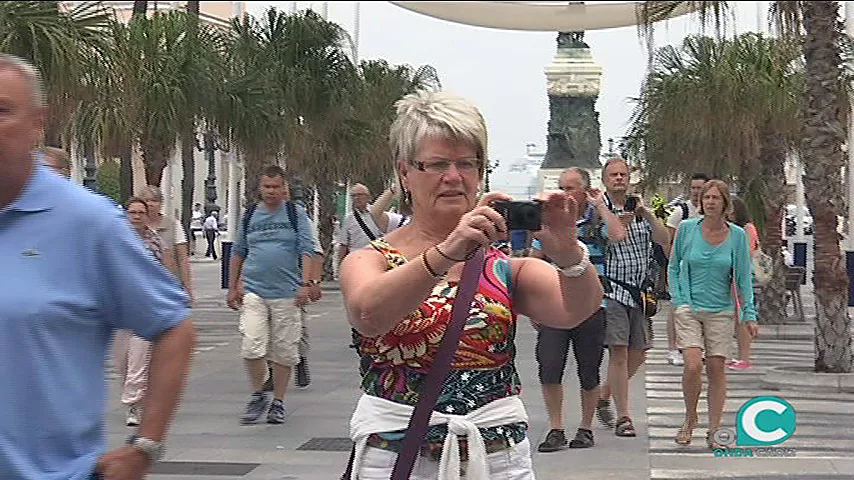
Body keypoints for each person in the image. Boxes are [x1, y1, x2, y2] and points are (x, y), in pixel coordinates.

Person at [340, 90, 603, 479]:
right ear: (404, 173)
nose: (453, 176)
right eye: (437, 164)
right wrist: (447, 251)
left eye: (466, 163)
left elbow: (575, 310)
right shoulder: (371, 259)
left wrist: (568, 254)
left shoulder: (504, 269)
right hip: (397, 457)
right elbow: (368, 313)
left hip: (494, 456)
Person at [0, 53, 195, 480]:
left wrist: (144, 446)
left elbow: (175, 329)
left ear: (38, 123)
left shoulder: (87, 223)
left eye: (2, 110)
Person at [531, 167, 626, 451]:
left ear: (585, 190)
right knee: (549, 367)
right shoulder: (549, 223)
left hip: (591, 306)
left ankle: (585, 427)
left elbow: (618, 233)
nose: (563, 193)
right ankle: (556, 427)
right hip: (554, 306)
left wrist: (600, 205)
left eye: (570, 188)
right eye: (561, 187)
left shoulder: (597, 219)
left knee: (589, 370)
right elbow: (535, 261)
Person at [227, 165, 322, 425]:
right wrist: (232, 286)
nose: (271, 191)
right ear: (260, 188)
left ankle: (278, 402)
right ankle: (258, 394)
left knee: (284, 352)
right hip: (253, 291)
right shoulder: (250, 216)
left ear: (284, 188)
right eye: (266, 187)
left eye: (275, 187)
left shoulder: (295, 213)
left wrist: (307, 283)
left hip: (287, 294)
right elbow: (238, 252)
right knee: (251, 347)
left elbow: (307, 249)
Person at [669, 180, 758, 448]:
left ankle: (715, 428)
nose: (709, 202)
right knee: (693, 364)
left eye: (715, 198)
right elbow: (673, 267)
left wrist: (750, 314)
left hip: (721, 309)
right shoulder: (686, 230)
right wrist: (679, 299)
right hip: (689, 308)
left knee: (717, 368)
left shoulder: (737, 236)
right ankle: (690, 417)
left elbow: (743, 279)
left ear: (724, 204)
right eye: (706, 197)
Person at [596, 157, 671, 438]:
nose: (619, 179)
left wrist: (647, 214)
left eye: (623, 175)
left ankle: (604, 393)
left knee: (639, 353)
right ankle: (624, 417)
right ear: (604, 180)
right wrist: (614, 222)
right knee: (619, 351)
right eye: (614, 175)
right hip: (612, 290)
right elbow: (602, 238)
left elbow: (664, 240)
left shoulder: (639, 208)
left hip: (640, 293)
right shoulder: (598, 210)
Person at [114, 197, 179, 427]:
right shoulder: (116, 240)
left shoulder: (156, 241)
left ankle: (133, 405)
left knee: (138, 359)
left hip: (146, 309)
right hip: (121, 310)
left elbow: (167, 270)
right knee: (123, 361)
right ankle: (136, 397)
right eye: (132, 212)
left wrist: (171, 296)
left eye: (141, 212)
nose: (137, 216)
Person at [664, 173, 709, 366]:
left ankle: (699, 347)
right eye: (694, 188)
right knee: (676, 307)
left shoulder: (711, 212)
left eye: (701, 188)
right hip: (681, 269)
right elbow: (668, 241)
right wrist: (673, 265)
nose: (696, 192)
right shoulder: (680, 212)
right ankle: (674, 348)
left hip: (704, 271)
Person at [139, 185, 195, 304]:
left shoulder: (173, 226)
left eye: (154, 201)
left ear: (160, 204)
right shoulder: (133, 228)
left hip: (168, 285)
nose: (150, 204)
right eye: (146, 201)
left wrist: (187, 287)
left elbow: (183, 259)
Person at [727, 196, 760, 370]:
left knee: (743, 316)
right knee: (732, 317)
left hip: (743, 276)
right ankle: (735, 355)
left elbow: (746, 252)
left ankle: (744, 356)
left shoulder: (747, 228)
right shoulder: (728, 229)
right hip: (729, 277)